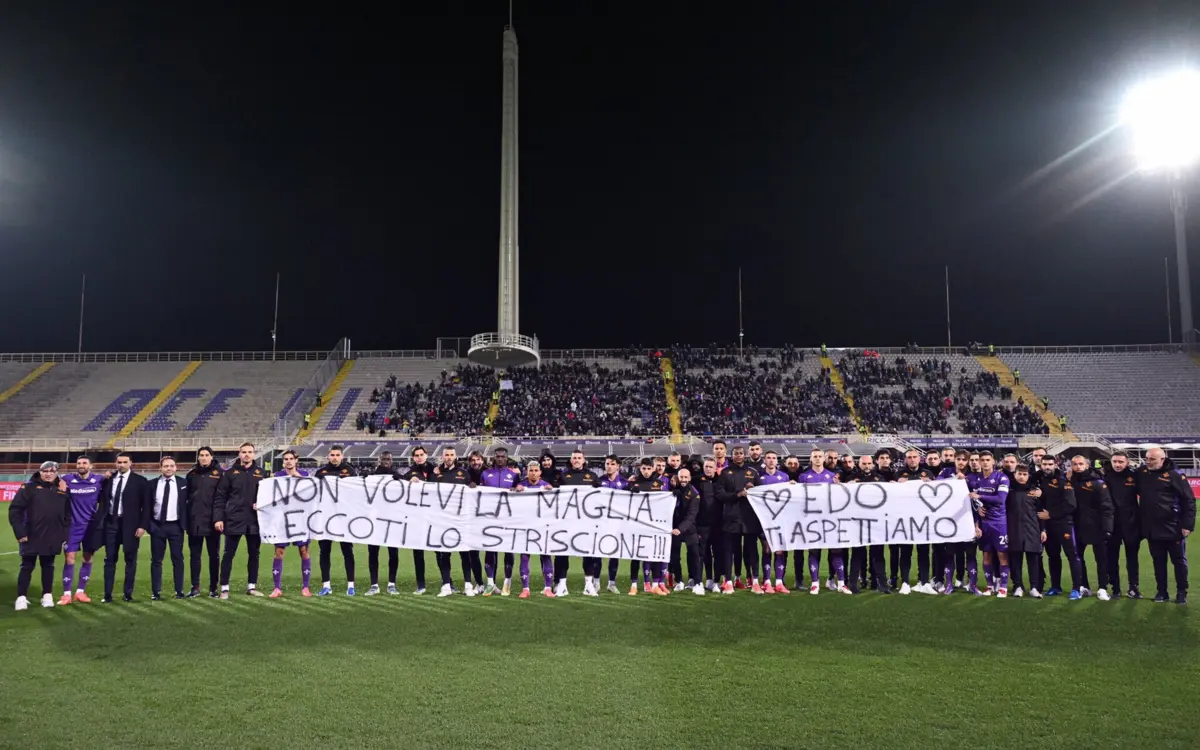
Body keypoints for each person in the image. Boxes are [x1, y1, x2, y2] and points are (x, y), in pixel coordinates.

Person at [9, 461, 71, 610]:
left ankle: (47, 595)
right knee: (27, 566)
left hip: (52, 536)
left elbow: (67, 515)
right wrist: (20, 532)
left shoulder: (62, 489)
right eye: (45, 471)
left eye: (51, 471)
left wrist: (63, 535)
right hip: (30, 535)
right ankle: (21, 597)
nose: (48, 474)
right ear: (40, 472)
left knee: (48, 566)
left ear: (56, 472)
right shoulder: (28, 488)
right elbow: (15, 510)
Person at [1135, 447, 1193, 604]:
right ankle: (1162, 591)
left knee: (1179, 561)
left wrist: (1187, 525)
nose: (1148, 461)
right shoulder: (1142, 473)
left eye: (1152, 459)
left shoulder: (1175, 475)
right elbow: (1121, 475)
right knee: (1158, 561)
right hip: (1152, 528)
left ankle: (1182, 592)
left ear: (1162, 459)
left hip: (1173, 527)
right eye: (1147, 458)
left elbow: (1189, 501)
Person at [213, 442, 268, 599]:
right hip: (233, 519)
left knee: (254, 554)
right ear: (239, 453)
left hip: (254, 521)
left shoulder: (261, 473)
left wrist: (262, 504)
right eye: (244, 452)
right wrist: (218, 518)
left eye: (249, 452)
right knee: (228, 554)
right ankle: (224, 588)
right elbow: (220, 497)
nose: (246, 455)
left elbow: (268, 497)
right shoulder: (229, 473)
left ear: (254, 453)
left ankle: (252, 586)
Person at [101, 452, 152, 603]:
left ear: (131, 463)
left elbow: (146, 507)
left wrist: (142, 526)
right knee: (110, 559)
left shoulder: (140, 481)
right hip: (111, 523)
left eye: (124, 462)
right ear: (115, 463)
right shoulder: (108, 480)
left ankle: (127, 593)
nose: (121, 465)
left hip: (130, 525)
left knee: (130, 560)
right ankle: (107, 595)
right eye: (119, 462)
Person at [799, 448, 848, 594]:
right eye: (815, 456)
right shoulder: (803, 477)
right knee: (814, 551)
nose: (818, 459)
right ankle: (815, 583)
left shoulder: (832, 476)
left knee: (836, 550)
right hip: (812, 520)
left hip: (829, 519)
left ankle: (841, 583)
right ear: (811, 458)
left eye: (820, 456)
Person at [58, 455, 104, 605]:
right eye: (78, 463)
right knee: (69, 558)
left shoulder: (99, 480)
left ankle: (80, 592)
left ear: (91, 466)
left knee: (87, 558)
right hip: (72, 526)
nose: (81, 465)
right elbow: (48, 477)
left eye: (84, 463)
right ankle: (66, 594)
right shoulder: (67, 479)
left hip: (90, 526)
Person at [716, 446, 761, 594]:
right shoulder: (725, 473)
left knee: (752, 551)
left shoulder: (753, 472)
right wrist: (737, 494)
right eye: (736, 454)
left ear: (745, 455)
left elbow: (762, 495)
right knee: (729, 550)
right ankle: (728, 582)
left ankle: (755, 581)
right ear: (732, 455)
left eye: (741, 453)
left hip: (749, 518)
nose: (739, 456)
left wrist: (753, 489)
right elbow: (720, 495)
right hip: (730, 517)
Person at [313, 445, 358, 596]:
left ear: (342, 456)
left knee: (347, 551)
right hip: (325, 517)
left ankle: (351, 585)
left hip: (343, 517)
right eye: (332, 455)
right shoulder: (321, 473)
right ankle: (326, 585)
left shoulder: (350, 471)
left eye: (337, 455)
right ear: (328, 456)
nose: (335, 457)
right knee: (324, 551)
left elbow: (357, 493)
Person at [1067, 454, 1113, 601]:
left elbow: (1107, 507)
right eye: (1075, 464)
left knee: (1101, 559)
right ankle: (1083, 586)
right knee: (1077, 558)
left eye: (1080, 464)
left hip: (1097, 526)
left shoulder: (1097, 482)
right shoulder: (1069, 481)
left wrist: (1107, 528)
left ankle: (1102, 588)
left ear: (1087, 465)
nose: (1078, 467)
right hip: (1076, 526)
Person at [1038, 455, 1083, 599]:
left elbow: (1071, 505)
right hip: (1049, 526)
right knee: (1053, 556)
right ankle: (1055, 586)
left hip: (1064, 524)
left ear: (1055, 464)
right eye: (1044, 464)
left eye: (1050, 464)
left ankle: (1077, 588)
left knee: (1072, 556)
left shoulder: (1064, 480)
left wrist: (1050, 515)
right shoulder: (1040, 479)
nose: (1047, 467)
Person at [555, 450, 599, 596]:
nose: (576, 460)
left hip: (586, 522)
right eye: (574, 458)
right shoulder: (563, 476)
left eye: (579, 458)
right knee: (562, 553)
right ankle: (561, 584)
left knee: (588, 553)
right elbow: (554, 496)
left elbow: (601, 497)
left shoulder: (592, 477)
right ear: (571, 460)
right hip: (566, 521)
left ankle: (588, 585)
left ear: (584, 459)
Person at [893, 449, 936, 595]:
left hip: (923, 519)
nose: (912, 459)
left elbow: (936, 494)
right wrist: (896, 484)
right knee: (905, 552)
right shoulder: (899, 474)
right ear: (905, 460)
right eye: (909, 457)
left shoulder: (928, 474)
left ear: (919, 459)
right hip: (905, 519)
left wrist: (930, 484)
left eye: (914, 457)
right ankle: (905, 582)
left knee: (924, 552)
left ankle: (924, 582)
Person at [270, 450, 312, 597]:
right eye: (285, 459)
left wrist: (297, 477)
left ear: (296, 460)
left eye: (291, 459)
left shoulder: (305, 475)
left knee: (304, 551)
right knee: (279, 552)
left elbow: (311, 492)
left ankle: (305, 587)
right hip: (283, 520)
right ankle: (277, 588)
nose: (288, 461)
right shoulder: (277, 476)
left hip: (300, 519)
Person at [480, 448, 520, 596]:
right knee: (490, 550)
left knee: (508, 550)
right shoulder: (485, 474)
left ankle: (507, 583)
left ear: (507, 458)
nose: (500, 459)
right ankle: (490, 583)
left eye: (503, 457)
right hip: (490, 518)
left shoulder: (514, 475)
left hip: (508, 519)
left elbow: (519, 491)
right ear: (494, 458)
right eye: (498, 457)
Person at [848, 454, 890, 594]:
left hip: (875, 522)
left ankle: (882, 584)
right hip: (857, 522)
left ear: (873, 464)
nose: (866, 466)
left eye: (869, 463)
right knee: (857, 554)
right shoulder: (850, 478)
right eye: (863, 463)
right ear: (858, 464)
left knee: (878, 554)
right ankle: (853, 583)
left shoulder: (880, 478)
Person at [185, 447, 223, 598]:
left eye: (207, 455)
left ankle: (214, 588)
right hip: (194, 522)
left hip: (213, 522)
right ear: (198, 457)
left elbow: (222, 498)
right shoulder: (191, 474)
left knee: (214, 556)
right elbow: (185, 498)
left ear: (211, 457)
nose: (204, 458)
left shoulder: (219, 474)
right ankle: (195, 587)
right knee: (195, 556)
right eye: (201, 455)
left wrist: (219, 518)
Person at [513, 461, 555, 598]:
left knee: (546, 556)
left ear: (540, 472)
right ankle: (525, 589)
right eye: (531, 470)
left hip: (543, 527)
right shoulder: (521, 485)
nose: (534, 473)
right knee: (525, 557)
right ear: (527, 471)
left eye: (536, 470)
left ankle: (548, 588)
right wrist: (516, 491)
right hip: (525, 527)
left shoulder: (546, 486)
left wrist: (552, 492)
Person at [433, 447, 472, 597]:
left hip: (461, 519)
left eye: (451, 455)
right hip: (442, 519)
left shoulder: (464, 473)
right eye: (446, 455)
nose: (449, 457)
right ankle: (446, 585)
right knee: (444, 553)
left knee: (464, 553)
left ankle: (468, 584)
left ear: (455, 457)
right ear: (442, 457)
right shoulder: (435, 474)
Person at [149, 456, 188, 600]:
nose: (169, 468)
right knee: (156, 560)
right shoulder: (152, 484)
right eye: (165, 466)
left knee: (178, 559)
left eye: (171, 466)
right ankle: (156, 592)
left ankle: (179, 591)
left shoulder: (183, 483)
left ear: (176, 467)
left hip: (176, 526)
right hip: (157, 526)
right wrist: (150, 525)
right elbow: (146, 506)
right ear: (160, 468)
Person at [1104, 451, 1142, 598]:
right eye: (1115, 462)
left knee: (1132, 557)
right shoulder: (1105, 476)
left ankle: (1133, 588)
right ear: (1111, 462)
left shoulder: (1135, 476)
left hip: (1131, 524)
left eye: (1121, 462)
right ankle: (1115, 589)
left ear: (1127, 462)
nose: (1117, 465)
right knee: (1112, 558)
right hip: (1112, 524)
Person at [973, 451, 1010, 598]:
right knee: (986, 555)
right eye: (982, 460)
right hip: (984, 524)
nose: (985, 462)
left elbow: (1001, 499)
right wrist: (977, 509)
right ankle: (989, 586)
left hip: (999, 523)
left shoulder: (1002, 477)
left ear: (993, 461)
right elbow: (973, 502)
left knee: (1002, 555)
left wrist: (980, 496)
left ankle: (1003, 587)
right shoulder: (976, 480)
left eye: (988, 460)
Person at [365, 451, 401, 596]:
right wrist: (363, 480)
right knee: (373, 553)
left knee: (393, 553)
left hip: (392, 520)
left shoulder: (397, 477)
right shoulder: (371, 477)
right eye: (384, 459)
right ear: (379, 460)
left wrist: (401, 479)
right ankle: (374, 584)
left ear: (392, 461)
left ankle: (391, 584)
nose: (386, 461)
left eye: (389, 459)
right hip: (375, 520)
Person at [628, 458, 666, 594]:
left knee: (654, 555)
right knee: (635, 556)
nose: (646, 471)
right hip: (636, 525)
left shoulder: (659, 484)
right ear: (640, 468)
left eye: (649, 468)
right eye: (643, 468)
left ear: (653, 469)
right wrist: (629, 489)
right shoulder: (633, 482)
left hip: (653, 525)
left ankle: (655, 585)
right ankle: (633, 585)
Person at [1007, 463, 1044, 598]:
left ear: (1028, 475)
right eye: (1019, 474)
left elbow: (1040, 512)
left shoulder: (1035, 491)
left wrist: (1043, 529)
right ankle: (1017, 586)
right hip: (1014, 529)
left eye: (1024, 474)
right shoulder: (1008, 491)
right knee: (1015, 559)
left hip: (1032, 529)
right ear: (1014, 474)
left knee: (1033, 560)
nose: (1022, 477)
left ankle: (1034, 587)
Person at [756, 451, 790, 593]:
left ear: (777, 461)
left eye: (774, 458)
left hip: (780, 519)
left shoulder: (784, 477)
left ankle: (779, 582)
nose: (771, 461)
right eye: (768, 458)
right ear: (765, 460)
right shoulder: (759, 476)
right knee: (767, 549)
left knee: (780, 551)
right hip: (764, 519)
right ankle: (767, 581)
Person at [404, 446, 436, 594]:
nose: (419, 457)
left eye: (421, 454)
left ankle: (448, 583)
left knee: (441, 552)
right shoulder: (410, 472)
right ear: (413, 457)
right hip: (417, 518)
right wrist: (408, 480)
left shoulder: (436, 470)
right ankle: (421, 585)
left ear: (426, 454)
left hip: (435, 517)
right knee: (418, 553)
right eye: (416, 455)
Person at [668, 468, 704, 594]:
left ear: (689, 478)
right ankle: (679, 581)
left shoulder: (694, 493)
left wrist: (680, 528)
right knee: (675, 557)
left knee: (694, 556)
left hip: (689, 529)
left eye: (685, 477)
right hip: (674, 529)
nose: (683, 480)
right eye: (681, 477)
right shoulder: (671, 490)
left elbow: (691, 515)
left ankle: (698, 583)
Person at [599, 454, 630, 593]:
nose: (609, 466)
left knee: (615, 553)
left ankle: (611, 583)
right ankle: (595, 582)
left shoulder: (625, 483)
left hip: (617, 524)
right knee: (596, 553)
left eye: (612, 464)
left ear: (618, 466)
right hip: (600, 522)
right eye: (607, 464)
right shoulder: (598, 481)